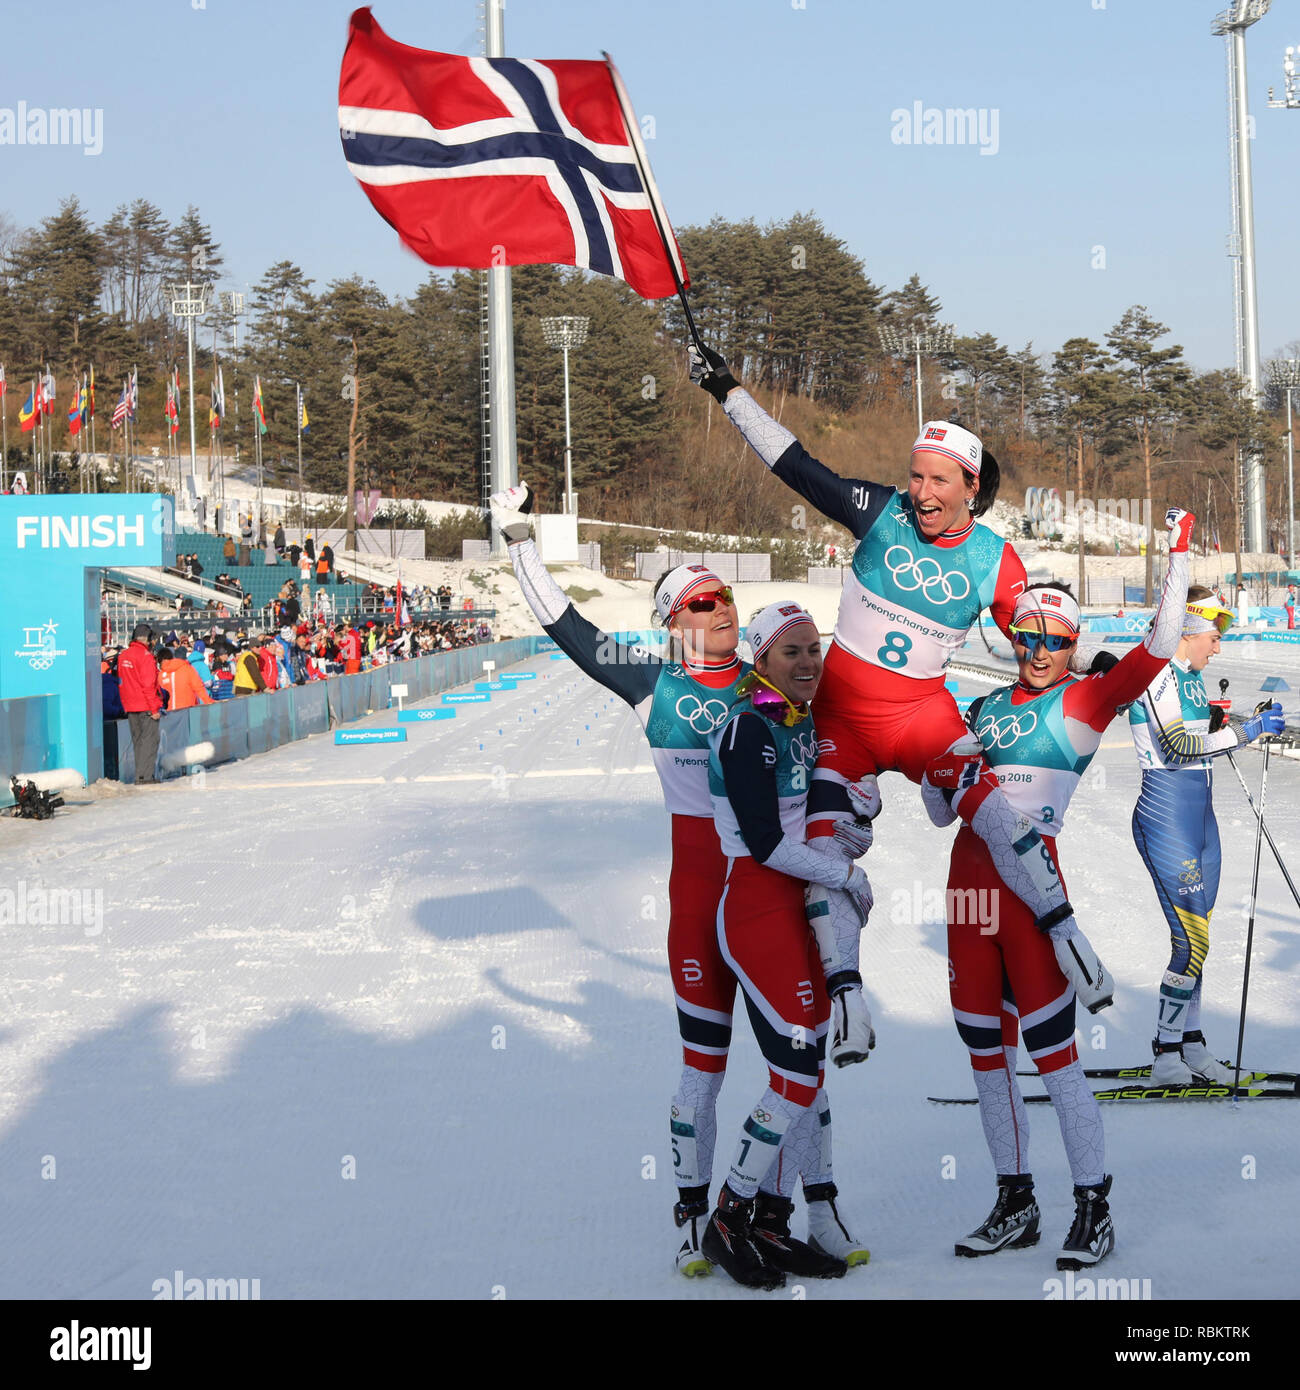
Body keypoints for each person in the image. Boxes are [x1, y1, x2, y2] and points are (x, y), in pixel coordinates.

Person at [492, 483, 871, 1279]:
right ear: (672, 623)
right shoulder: (651, 687)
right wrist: (521, 541)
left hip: (772, 892)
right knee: (704, 1067)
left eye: (724, 596)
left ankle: (810, 1211)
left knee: (798, 1065)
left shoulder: (773, 676)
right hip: (702, 905)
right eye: (699, 603)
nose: (719, 609)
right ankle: (694, 1217)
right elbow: (565, 624)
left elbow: (850, 735)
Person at [689, 347, 1106, 1066]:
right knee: (825, 848)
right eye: (915, 475)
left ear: (970, 487)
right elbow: (795, 464)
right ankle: (848, 997)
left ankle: (1064, 929)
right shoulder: (878, 511)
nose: (919, 491)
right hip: (843, 723)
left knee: (991, 806)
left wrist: (1106, 668)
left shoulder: (995, 559)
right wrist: (726, 388)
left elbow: (1040, 636)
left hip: (920, 718)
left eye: (936, 480)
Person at [927, 507, 1194, 1272]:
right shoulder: (978, 707)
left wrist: (1173, 552)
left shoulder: (1083, 701)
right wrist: (947, 768)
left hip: (1033, 895)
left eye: (1055, 640)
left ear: (1074, 645)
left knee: (1055, 1060)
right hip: (967, 895)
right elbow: (940, 810)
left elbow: (1159, 647)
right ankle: (1016, 1201)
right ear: (1012, 639)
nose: (1040, 651)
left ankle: (1092, 1206)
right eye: (1028, 637)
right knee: (985, 1059)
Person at [704, 600, 876, 1288]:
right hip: (753, 907)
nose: (808, 663)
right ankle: (728, 1217)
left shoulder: (797, 720)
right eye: (791, 653)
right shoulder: (750, 729)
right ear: (760, 662)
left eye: (814, 650)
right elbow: (769, 843)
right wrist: (843, 872)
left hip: (793, 907)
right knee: (799, 1074)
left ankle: (771, 1221)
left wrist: (861, 801)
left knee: (805, 1078)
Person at [1128, 585, 1285, 1085]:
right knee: (1188, 940)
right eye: (1213, 637)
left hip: (1200, 819)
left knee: (1202, 939)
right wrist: (1246, 731)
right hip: (1165, 813)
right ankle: (1165, 1054)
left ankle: (1191, 1045)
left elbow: (1200, 736)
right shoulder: (1156, 673)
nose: (1218, 647)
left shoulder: (1192, 679)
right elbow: (1176, 745)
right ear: (1189, 631)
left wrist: (1222, 724)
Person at [117, 623, 163, 783]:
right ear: (148, 639)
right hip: (145, 705)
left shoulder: (124, 655)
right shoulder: (145, 656)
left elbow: (122, 682)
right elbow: (148, 685)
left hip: (130, 706)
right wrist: (154, 708)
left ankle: (140, 775)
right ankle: (145, 776)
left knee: (138, 742)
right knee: (149, 742)